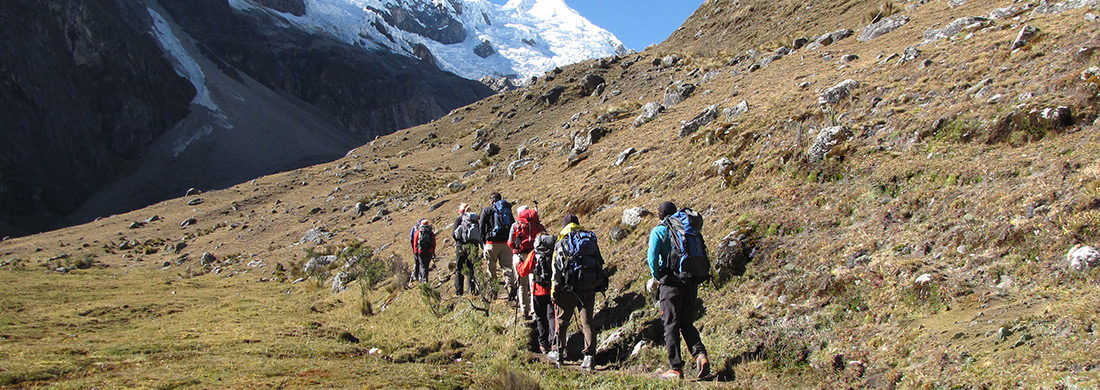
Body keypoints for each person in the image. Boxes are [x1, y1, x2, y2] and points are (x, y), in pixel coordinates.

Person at [648, 201, 710, 380]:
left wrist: (659, 276)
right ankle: (700, 355)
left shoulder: (659, 231)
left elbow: (652, 258)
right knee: (686, 322)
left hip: (670, 282)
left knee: (670, 324)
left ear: (660, 215)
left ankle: (675, 368)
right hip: (690, 280)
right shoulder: (685, 228)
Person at [551, 214, 602, 371]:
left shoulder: (562, 241)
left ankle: (558, 353)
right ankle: (589, 357)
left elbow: (556, 269)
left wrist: (554, 289)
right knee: (587, 322)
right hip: (588, 286)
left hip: (569, 288)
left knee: (562, 321)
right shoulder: (589, 239)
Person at [516, 233, 556, 356]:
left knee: (540, 318)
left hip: (538, 290)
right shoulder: (554, 251)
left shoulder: (534, 253)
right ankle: (554, 344)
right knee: (551, 317)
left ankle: (543, 345)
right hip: (553, 290)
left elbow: (523, 272)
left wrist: (519, 264)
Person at [508, 205, 545, 319]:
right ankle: (535, 310)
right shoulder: (537, 225)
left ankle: (524, 310)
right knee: (533, 283)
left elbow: (510, 243)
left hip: (520, 256)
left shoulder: (516, 225)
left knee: (521, 284)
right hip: (534, 255)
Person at [479, 193, 514, 297]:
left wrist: (483, 242)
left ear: (491, 201)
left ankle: (493, 291)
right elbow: (512, 225)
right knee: (507, 267)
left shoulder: (486, 211)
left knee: (491, 268)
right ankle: (510, 286)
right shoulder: (507, 210)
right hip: (505, 243)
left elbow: (481, 227)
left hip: (491, 243)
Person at [452, 204, 479, 295]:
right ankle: (472, 290)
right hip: (473, 246)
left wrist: (459, 242)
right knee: (471, 268)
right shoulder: (474, 220)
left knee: (459, 269)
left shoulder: (459, 220)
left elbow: (454, 234)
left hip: (461, 246)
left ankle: (459, 292)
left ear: (460, 211)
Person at [409, 219, 436, 283]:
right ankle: (425, 278)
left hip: (420, 251)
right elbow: (434, 243)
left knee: (422, 265)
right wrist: (433, 251)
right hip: (429, 251)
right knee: (426, 265)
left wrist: (415, 251)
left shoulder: (418, 232)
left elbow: (415, 242)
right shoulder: (431, 232)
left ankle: (424, 279)